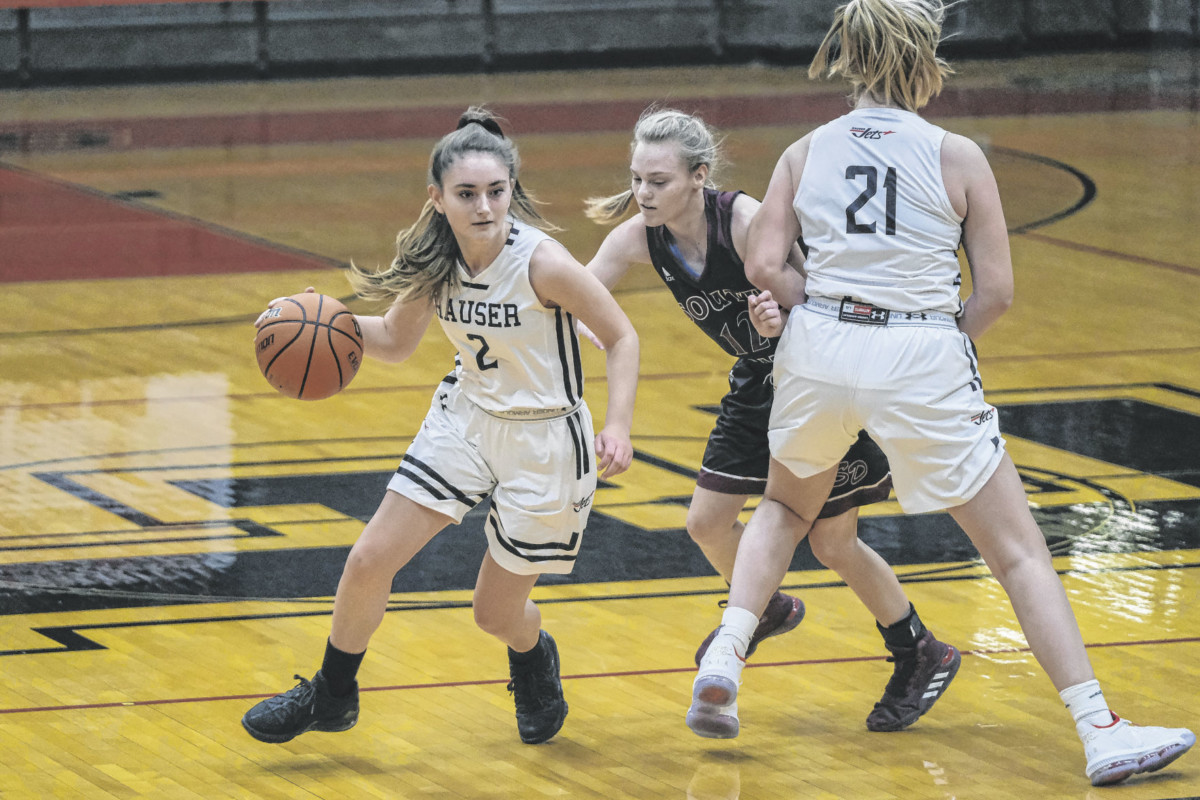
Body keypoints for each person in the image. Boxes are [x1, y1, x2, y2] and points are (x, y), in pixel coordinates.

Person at [687, 0, 1195, 787]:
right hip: (919, 347)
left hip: (819, 345)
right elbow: (996, 294)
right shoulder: (956, 154)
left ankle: (728, 646)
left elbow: (762, 266)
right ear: (923, 58)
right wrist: (931, 339)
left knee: (787, 509)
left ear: (851, 58)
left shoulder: (804, 151)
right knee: (1017, 551)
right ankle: (1099, 729)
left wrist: (813, 299)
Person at [240, 107, 640, 746]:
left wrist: (617, 426)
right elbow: (396, 341)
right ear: (438, 199)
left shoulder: (544, 262)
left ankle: (533, 655)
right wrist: (314, 316)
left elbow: (622, 337)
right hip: (467, 417)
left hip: (546, 440)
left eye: (496, 192)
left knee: (493, 613)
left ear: (511, 189)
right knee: (370, 558)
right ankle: (333, 693)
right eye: (467, 194)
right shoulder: (438, 258)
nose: (484, 206)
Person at [583, 107, 960, 738]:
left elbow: (826, 294)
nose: (643, 194)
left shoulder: (746, 219)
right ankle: (765, 606)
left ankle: (919, 650)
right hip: (757, 387)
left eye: (658, 182)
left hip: (820, 380)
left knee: (832, 541)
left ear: (699, 177)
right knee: (705, 522)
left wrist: (784, 317)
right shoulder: (637, 238)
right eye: (638, 180)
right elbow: (579, 292)